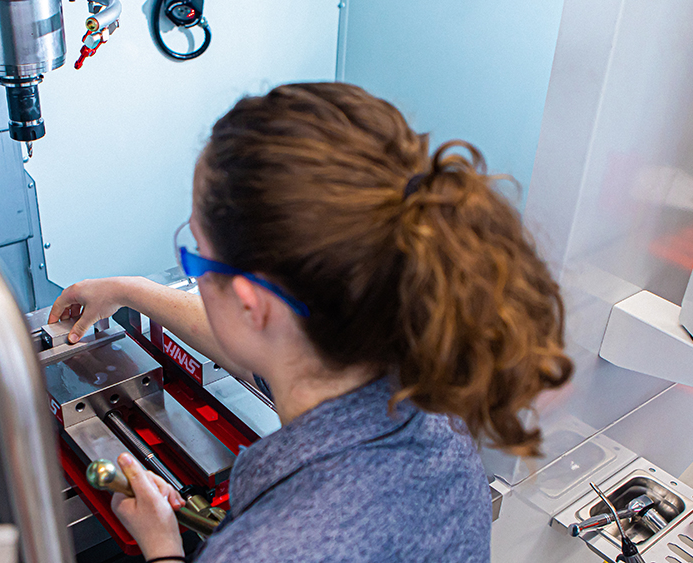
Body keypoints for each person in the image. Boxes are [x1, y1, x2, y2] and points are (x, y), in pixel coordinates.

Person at [48, 82, 572, 562]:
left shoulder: (265, 551)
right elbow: (276, 346)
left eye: (197, 255)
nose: (195, 266)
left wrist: (163, 550)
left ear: (254, 305)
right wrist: (128, 292)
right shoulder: (432, 408)